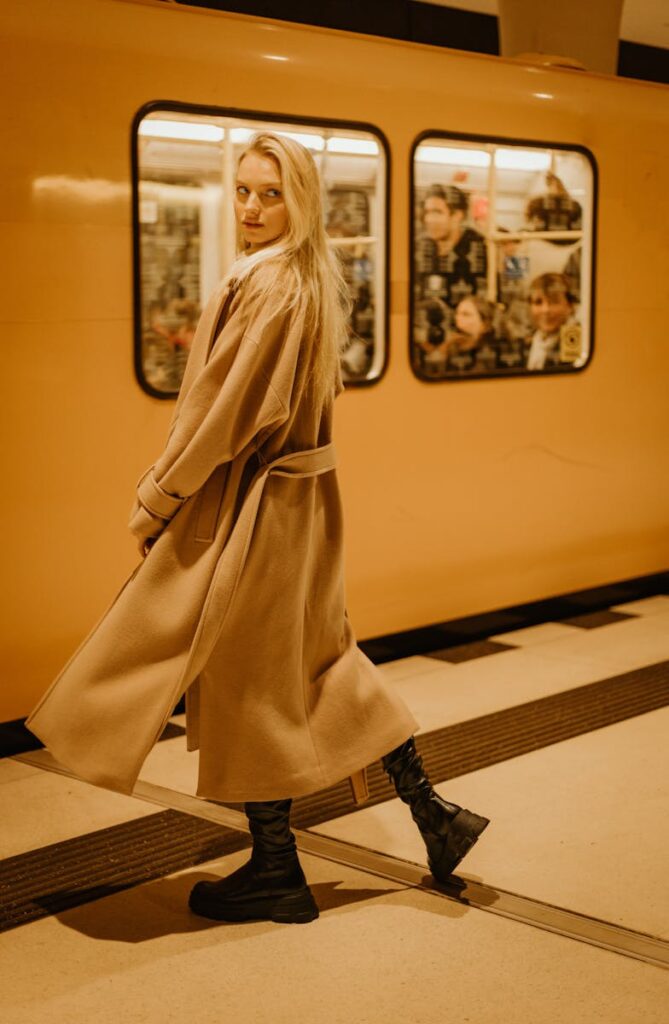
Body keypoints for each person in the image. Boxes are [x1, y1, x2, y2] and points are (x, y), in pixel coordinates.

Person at [26, 132, 489, 925]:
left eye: (270, 194)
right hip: (300, 506)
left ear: (300, 200)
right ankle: (431, 815)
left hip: (253, 511)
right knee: (318, 662)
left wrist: (157, 499)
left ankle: (279, 869)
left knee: (244, 678)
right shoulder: (305, 279)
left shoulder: (269, 285)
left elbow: (222, 415)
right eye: (242, 191)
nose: (251, 207)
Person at [415, 184, 488, 315]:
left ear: (457, 216)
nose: (429, 219)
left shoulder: (479, 248)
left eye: (437, 212)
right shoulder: (419, 247)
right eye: (427, 212)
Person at [525, 272, 578, 370]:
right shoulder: (527, 343)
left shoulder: (576, 342)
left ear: (570, 306)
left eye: (554, 301)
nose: (545, 310)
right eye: (538, 302)